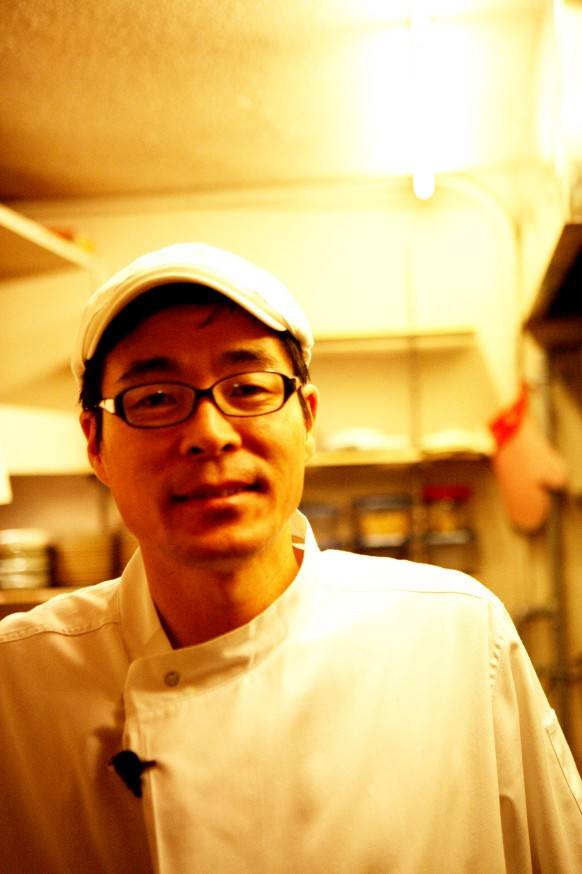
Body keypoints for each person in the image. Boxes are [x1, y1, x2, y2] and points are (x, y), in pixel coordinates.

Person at [1, 243, 581, 873]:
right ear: (95, 442)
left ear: (307, 420)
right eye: (156, 398)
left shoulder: (459, 638)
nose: (210, 434)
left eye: (248, 388)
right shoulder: (19, 686)